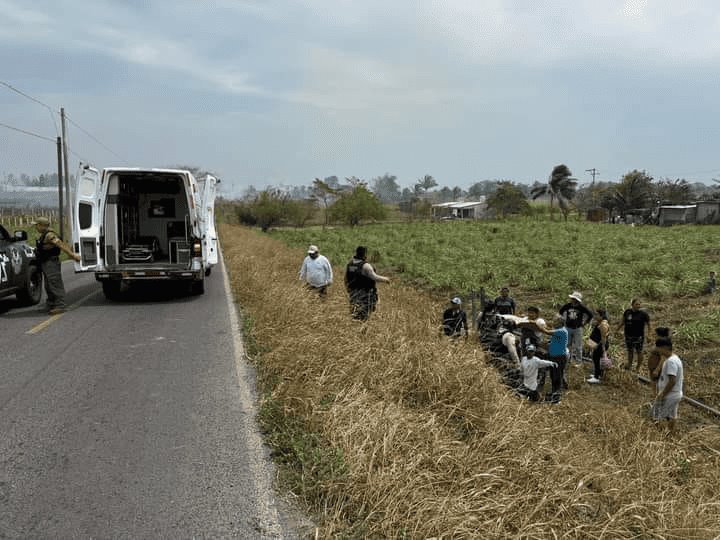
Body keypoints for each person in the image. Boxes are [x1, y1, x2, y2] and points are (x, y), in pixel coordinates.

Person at [34, 216, 81, 314]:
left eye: (37, 225)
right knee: (48, 285)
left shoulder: (49, 235)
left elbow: (61, 245)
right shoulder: (44, 234)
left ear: (42, 225)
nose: (36, 227)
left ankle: (61, 305)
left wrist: (73, 255)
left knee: (55, 284)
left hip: (51, 263)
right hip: (46, 263)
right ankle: (51, 304)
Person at [345, 246, 390, 321]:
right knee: (364, 315)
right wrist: (386, 279)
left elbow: (345, 279)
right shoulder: (366, 266)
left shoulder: (350, 265)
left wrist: (348, 289)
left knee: (354, 313)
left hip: (353, 294)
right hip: (365, 295)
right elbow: (374, 277)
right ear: (365, 254)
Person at [651, 338, 684, 434]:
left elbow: (672, 381)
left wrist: (663, 394)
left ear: (665, 347)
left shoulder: (671, 362)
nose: (657, 350)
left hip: (670, 395)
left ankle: (659, 435)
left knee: (657, 416)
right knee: (672, 416)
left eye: (658, 348)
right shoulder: (674, 358)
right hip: (675, 394)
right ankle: (670, 434)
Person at [539, 315, 569, 403]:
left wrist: (537, 326)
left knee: (557, 376)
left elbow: (546, 331)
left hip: (559, 357)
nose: (553, 323)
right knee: (553, 375)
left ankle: (557, 397)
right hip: (554, 357)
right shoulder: (560, 330)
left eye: (555, 321)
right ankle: (554, 393)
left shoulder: (561, 331)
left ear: (560, 323)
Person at [558, 291, 594, 366]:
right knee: (567, 344)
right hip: (568, 327)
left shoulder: (581, 307)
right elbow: (561, 311)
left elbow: (590, 315)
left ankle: (578, 361)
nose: (572, 300)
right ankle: (567, 359)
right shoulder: (568, 306)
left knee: (578, 346)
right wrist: (564, 320)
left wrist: (585, 323)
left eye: (574, 299)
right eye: (572, 298)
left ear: (577, 300)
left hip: (578, 328)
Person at [617, 298, 651, 371]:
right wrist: (617, 330)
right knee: (630, 351)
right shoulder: (627, 312)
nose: (638, 306)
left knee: (639, 351)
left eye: (639, 304)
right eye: (636, 304)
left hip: (639, 337)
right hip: (628, 336)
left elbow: (649, 325)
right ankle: (629, 365)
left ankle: (638, 368)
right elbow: (622, 321)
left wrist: (649, 335)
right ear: (632, 305)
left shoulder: (643, 314)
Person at [586, 309, 610, 384]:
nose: (595, 316)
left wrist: (602, 348)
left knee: (596, 359)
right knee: (596, 359)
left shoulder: (603, 324)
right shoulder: (600, 322)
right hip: (599, 345)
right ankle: (598, 374)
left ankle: (596, 377)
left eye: (597, 315)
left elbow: (603, 338)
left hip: (601, 345)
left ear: (601, 316)